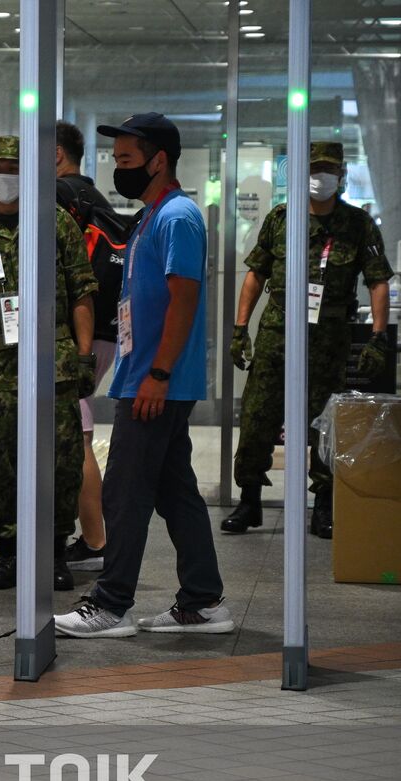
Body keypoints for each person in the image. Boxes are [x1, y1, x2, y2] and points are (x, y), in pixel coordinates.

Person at [55, 113, 228, 638]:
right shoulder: (152, 215)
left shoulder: (177, 217)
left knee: (124, 494)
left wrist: (157, 373)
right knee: (176, 494)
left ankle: (110, 605)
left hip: (156, 382)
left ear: (160, 160)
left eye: (127, 160)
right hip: (148, 377)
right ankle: (202, 601)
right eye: (115, 159)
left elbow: (186, 297)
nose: (117, 169)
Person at [0, 135, 97, 592]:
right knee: (5, 463)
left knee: (61, 460)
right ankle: (9, 553)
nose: (5, 175)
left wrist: (85, 356)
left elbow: (82, 294)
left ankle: (53, 551)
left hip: (55, 361)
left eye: (14, 167)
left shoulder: (55, 224)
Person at [222, 141, 395, 539]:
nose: (321, 178)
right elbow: (256, 274)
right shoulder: (281, 219)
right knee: (258, 415)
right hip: (277, 331)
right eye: (315, 169)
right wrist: (239, 328)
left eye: (329, 170)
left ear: (342, 175)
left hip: (329, 337)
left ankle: (323, 506)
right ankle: (249, 501)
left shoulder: (358, 224)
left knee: (324, 423)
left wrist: (378, 337)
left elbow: (378, 281)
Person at [54, 120, 128, 573]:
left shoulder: (61, 196)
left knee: (75, 441)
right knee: (75, 433)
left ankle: (97, 541)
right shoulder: (93, 197)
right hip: (102, 332)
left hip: (76, 336)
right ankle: (95, 540)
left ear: (55, 154)